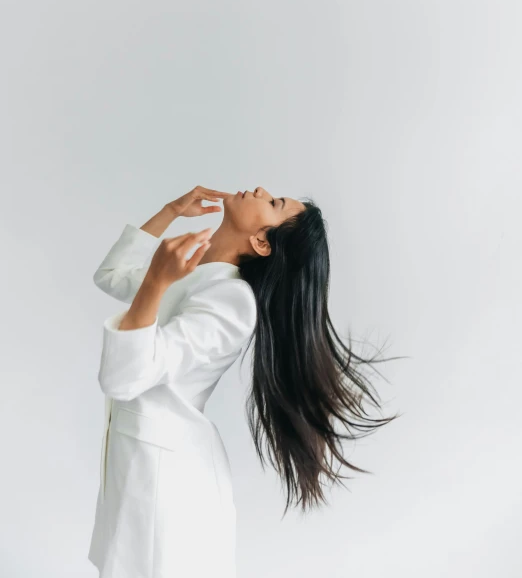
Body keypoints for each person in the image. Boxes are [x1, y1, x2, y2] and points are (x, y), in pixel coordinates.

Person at [87, 185, 398, 577]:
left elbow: (123, 377)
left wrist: (156, 282)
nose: (262, 190)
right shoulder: (197, 272)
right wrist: (170, 212)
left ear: (262, 242)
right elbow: (111, 275)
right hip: (142, 458)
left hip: (166, 478)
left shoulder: (232, 300)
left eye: (273, 204)